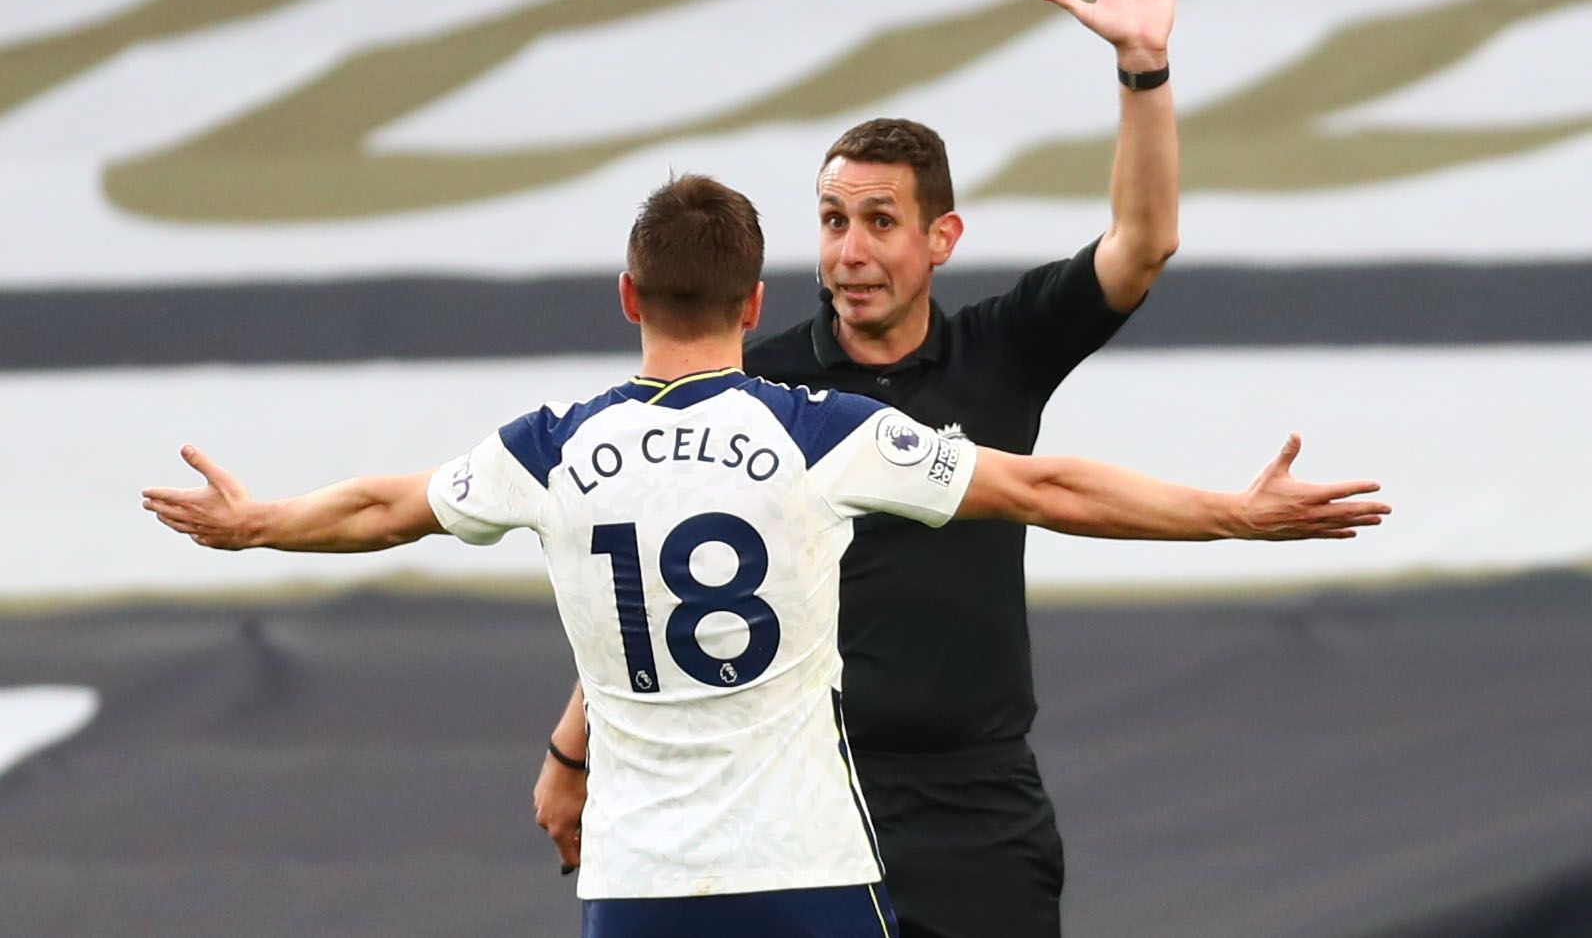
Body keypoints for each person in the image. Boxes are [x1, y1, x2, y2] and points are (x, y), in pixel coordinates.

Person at [142, 173, 1386, 936]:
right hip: (804, 870)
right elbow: (1041, 485)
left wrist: (258, 523)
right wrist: (1231, 511)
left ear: (626, 295)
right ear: (751, 305)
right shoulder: (813, 429)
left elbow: (385, 504)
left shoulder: (550, 445)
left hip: (638, 879)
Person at [535, 0, 1191, 938]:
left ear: (941, 236)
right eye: (833, 220)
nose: (849, 251)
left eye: (880, 221)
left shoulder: (1001, 349)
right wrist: (572, 749)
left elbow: (1141, 242)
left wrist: (1142, 69)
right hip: (797, 796)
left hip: (975, 805)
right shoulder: (758, 383)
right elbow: (651, 563)